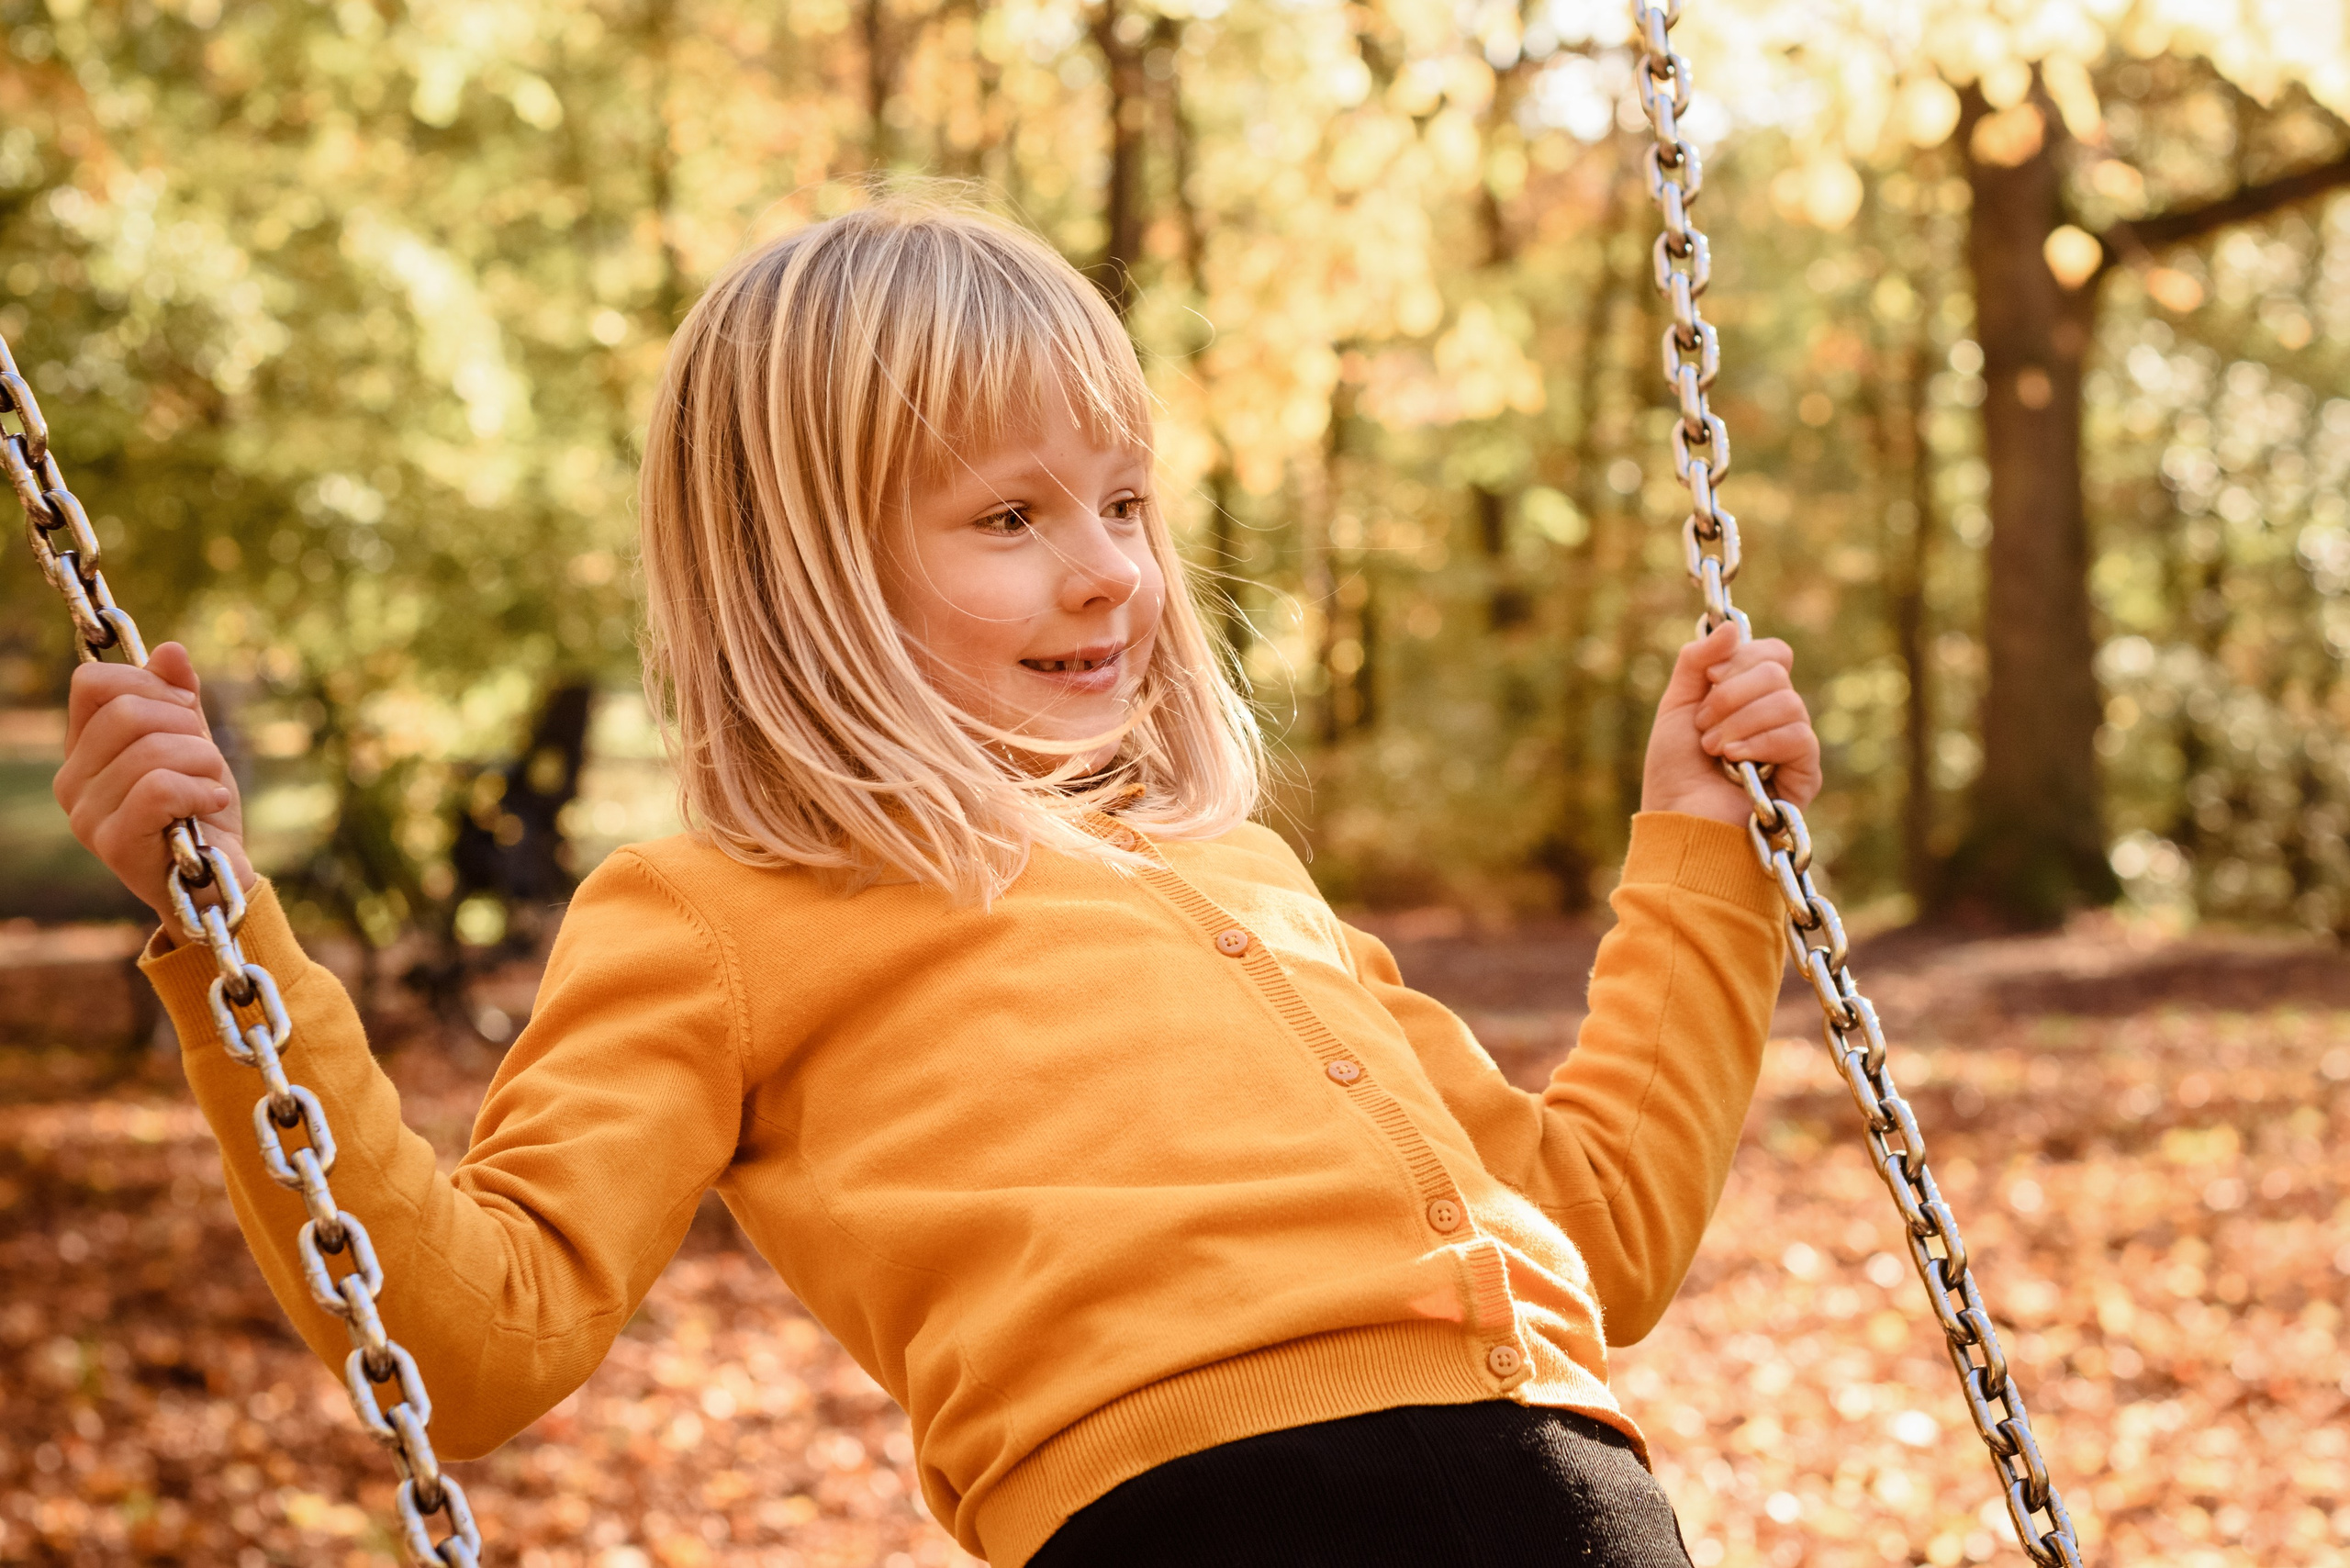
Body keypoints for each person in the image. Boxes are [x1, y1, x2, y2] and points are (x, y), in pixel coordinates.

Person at [52, 198, 1819, 1567]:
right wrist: (229, 944)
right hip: (1206, 1521)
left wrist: (1700, 852)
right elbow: (471, 1337)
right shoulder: (716, 912)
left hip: (1585, 1502)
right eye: (1010, 519)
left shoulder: (1247, 875)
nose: (1111, 575)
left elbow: (1597, 1235)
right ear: (809, 573)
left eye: (1126, 505)